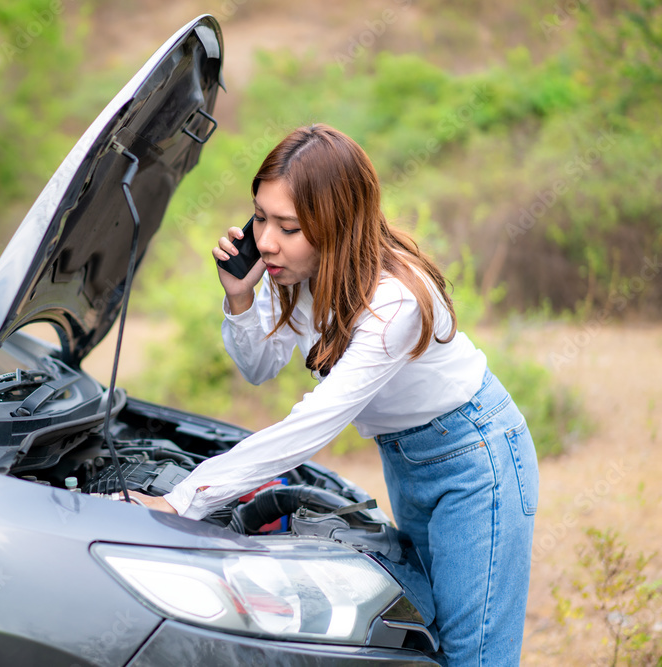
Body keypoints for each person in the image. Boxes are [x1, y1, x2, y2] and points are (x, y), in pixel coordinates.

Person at [130, 124, 539, 666]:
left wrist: (183, 500)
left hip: (474, 459)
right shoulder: (296, 272)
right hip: (407, 458)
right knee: (427, 632)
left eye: (289, 227)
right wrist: (239, 297)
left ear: (336, 225)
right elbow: (258, 366)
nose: (267, 241)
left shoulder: (393, 303)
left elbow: (312, 425)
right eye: (260, 218)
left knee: (475, 655)